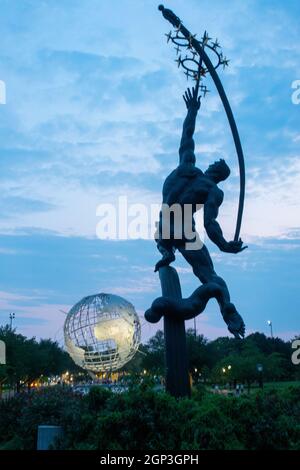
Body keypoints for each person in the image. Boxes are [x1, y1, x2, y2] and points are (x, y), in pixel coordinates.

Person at [149, 87, 246, 338]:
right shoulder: (211, 189)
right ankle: (226, 307)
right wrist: (223, 245)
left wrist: (192, 111)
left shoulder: (187, 167)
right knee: (211, 276)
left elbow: (187, 136)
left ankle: (165, 250)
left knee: (166, 236)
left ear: (218, 171)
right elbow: (210, 224)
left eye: (218, 163)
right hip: (184, 228)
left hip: (166, 222)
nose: (215, 162)